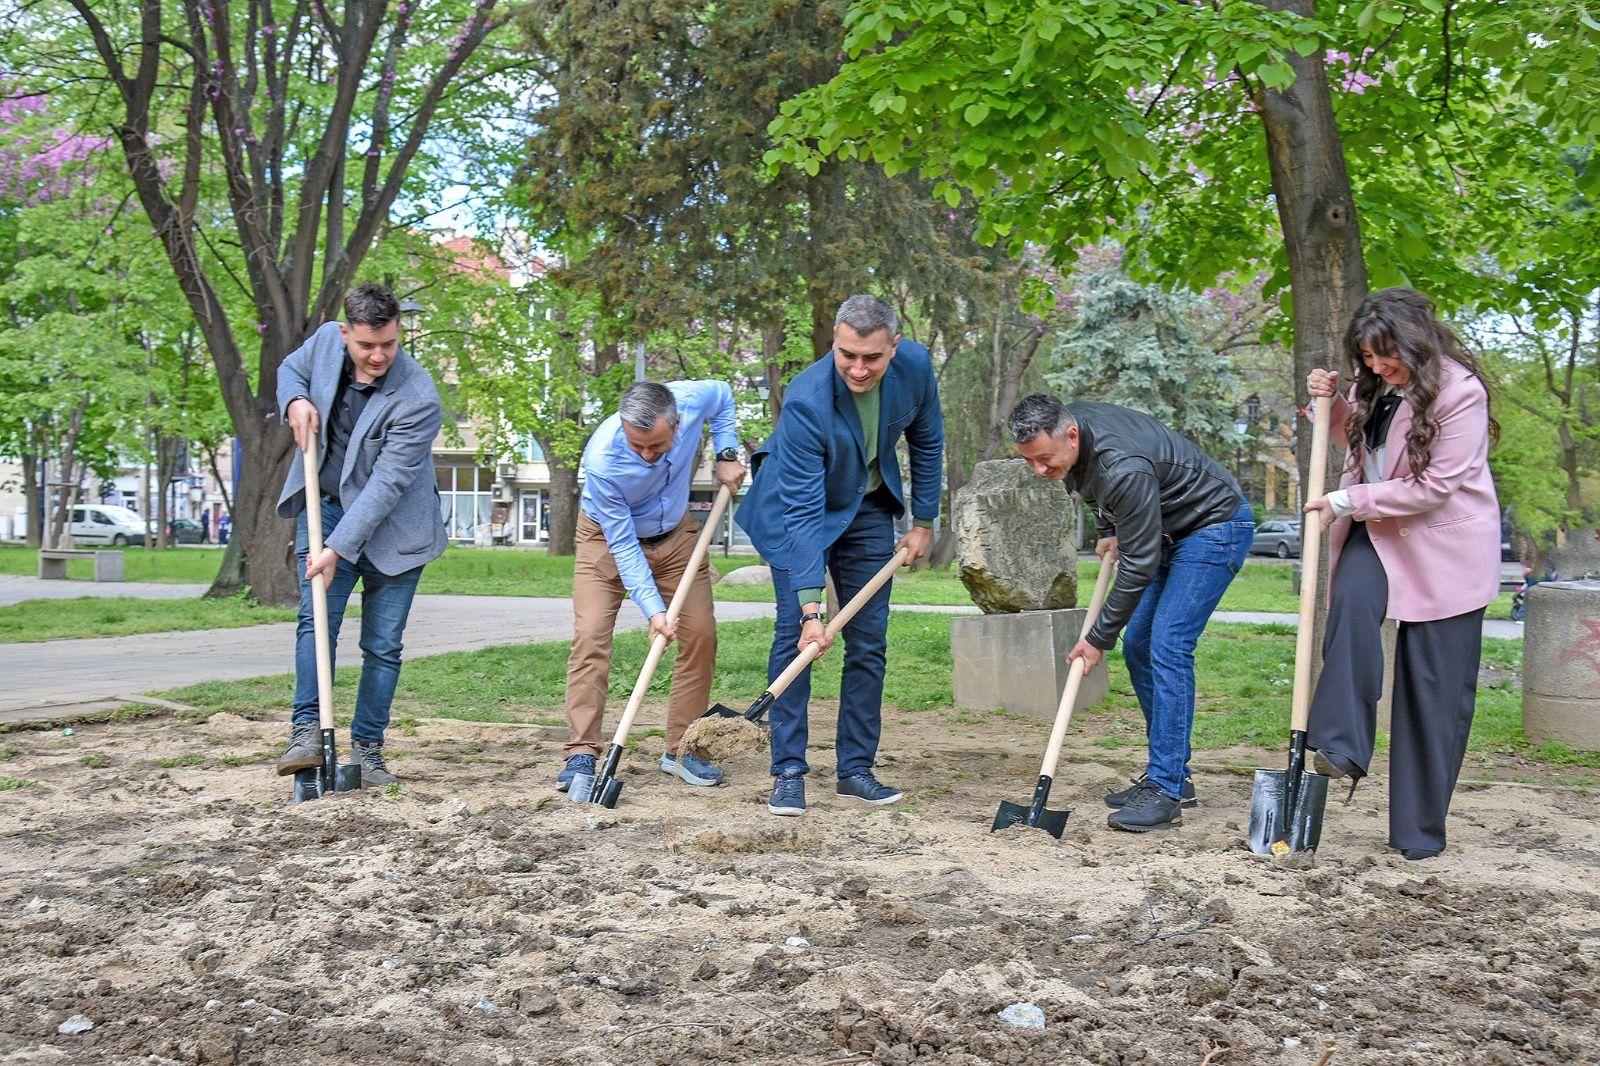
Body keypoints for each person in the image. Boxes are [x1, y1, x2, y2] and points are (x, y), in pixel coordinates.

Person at [1302, 286, 1500, 860]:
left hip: (1446, 550)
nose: (1375, 366)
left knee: (1433, 692)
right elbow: (1366, 446)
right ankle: (1339, 744)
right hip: (1381, 531)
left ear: (1415, 343)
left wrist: (1345, 501)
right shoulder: (1374, 387)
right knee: (1351, 609)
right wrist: (1331, 406)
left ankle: (1417, 834)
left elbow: (1435, 486)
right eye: (1365, 356)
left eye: (1384, 355)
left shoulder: (1461, 392)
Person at [736, 295, 944, 817]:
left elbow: (927, 440)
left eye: (872, 357)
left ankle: (855, 770)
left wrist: (923, 522)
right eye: (847, 354)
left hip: (867, 506)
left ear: (894, 346)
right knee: (795, 637)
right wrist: (812, 611)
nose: (857, 368)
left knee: (869, 641)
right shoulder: (808, 398)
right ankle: (788, 771)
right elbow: (804, 514)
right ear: (834, 341)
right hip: (796, 511)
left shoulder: (916, 368)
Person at [1008, 393, 1254, 833]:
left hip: (1213, 526)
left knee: (1169, 643)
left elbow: (1139, 566)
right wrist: (1108, 528)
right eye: (1029, 461)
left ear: (1071, 435)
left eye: (1044, 459)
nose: (1039, 470)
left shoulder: (1122, 466)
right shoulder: (1074, 434)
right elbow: (1091, 486)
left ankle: (1166, 790)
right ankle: (1174, 773)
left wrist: (1097, 638)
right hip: (1167, 527)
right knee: (1139, 643)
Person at [271, 283, 447, 787]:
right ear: (345, 332)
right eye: (366, 345)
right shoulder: (326, 341)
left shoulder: (418, 396)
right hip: (324, 508)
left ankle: (367, 751)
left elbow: (386, 486)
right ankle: (307, 732)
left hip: (398, 531)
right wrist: (295, 401)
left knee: (383, 645)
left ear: (399, 332)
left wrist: (336, 550)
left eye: (388, 344)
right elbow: (290, 369)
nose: (378, 356)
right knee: (316, 622)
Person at [557, 380, 746, 792]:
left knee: (700, 634)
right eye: (636, 446)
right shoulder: (603, 460)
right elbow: (624, 545)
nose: (646, 455)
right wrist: (654, 611)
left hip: (677, 536)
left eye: (657, 446)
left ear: (677, 423)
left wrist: (727, 453)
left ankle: (683, 749)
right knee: (590, 635)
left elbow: (723, 396)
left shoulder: (692, 400)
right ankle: (581, 752)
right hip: (606, 540)